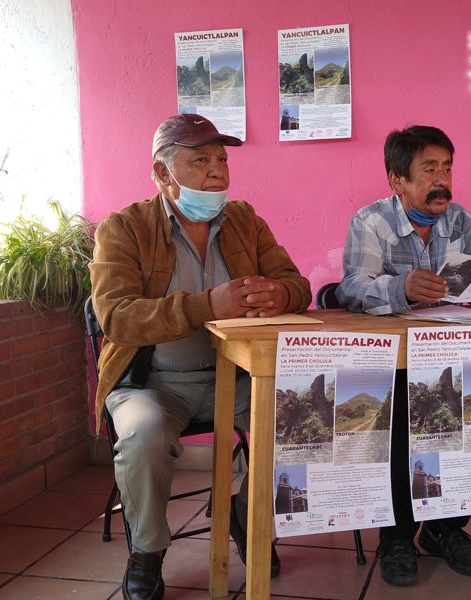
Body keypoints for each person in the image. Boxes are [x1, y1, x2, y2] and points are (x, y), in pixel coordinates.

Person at [90, 114, 311, 600]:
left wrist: (281, 293)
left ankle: (242, 510)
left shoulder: (245, 220)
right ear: (162, 173)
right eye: (199, 160)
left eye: (221, 160)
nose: (217, 172)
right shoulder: (124, 228)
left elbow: (298, 284)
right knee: (144, 434)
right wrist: (205, 306)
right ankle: (147, 553)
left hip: (238, 374)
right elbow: (117, 317)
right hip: (153, 383)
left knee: (304, 416)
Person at [335, 125, 471, 586]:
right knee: (399, 422)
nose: (442, 179)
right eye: (429, 168)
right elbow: (349, 288)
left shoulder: (461, 222)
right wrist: (400, 287)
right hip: (388, 363)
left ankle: (445, 530)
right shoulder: (370, 222)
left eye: (447, 167)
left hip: (449, 354)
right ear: (397, 180)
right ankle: (395, 536)